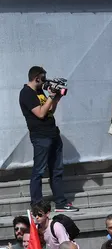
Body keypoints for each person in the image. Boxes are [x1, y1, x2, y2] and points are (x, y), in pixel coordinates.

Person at [20, 66, 76, 211]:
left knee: (57, 169)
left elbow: (50, 110)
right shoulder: (26, 93)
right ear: (36, 78)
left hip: (53, 134)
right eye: (43, 78)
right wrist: (51, 96)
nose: (45, 82)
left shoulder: (39, 91)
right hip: (40, 136)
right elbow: (40, 114)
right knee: (38, 171)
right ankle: (36, 204)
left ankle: (60, 203)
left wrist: (56, 98)